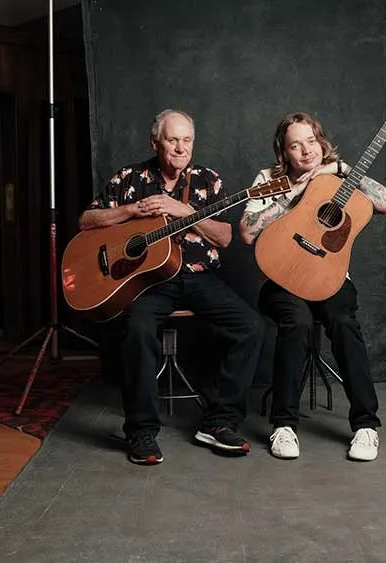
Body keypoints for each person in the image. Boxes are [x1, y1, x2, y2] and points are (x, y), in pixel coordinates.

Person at [80, 109, 264, 465]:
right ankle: (142, 431)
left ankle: (219, 422)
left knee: (250, 327)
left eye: (186, 140)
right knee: (137, 329)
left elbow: (226, 237)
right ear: (155, 142)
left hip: (199, 277)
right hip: (148, 283)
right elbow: (87, 220)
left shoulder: (208, 180)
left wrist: (184, 211)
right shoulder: (129, 178)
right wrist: (131, 211)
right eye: (172, 139)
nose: (180, 148)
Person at [239, 112, 386, 462]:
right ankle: (283, 425)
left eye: (310, 141)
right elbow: (248, 231)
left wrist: (339, 171)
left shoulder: (339, 174)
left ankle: (366, 426)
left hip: (329, 276)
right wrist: (294, 194)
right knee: (298, 322)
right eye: (295, 145)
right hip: (282, 278)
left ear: (320, 141)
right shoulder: (269, 179)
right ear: (284, 152)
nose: (306, 151)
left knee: (343, 322)